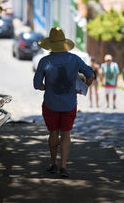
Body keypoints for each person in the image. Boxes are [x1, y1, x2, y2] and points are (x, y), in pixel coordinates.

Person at [33, 27, 94, 178]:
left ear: (51, 44)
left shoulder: (44, 61)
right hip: (70, 104)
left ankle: (53, 164)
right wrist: (84, 85)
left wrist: (46, 87)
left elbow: (37, 85)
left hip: (50, 103)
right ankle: (64, 167)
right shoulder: (75, 59)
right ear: (64, 43)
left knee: (53, 132)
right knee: (66, 134)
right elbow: (90, 74)